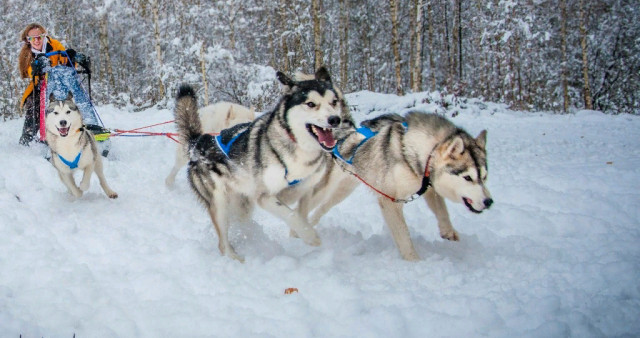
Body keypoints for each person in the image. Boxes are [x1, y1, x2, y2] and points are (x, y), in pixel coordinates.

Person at [17, 23, 70, 146]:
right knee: (34, 104)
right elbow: (27, 71)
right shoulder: (27, 53)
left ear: (44, 35)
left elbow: (66, 61)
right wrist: (36, 67)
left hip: (58, 83)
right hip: (38, 85)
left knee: (66, 103)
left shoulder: (55, 45)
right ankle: (28, 137)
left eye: (39, 37)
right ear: (27, 40)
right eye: (32, 38)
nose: (36, 41)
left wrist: (70, 58)